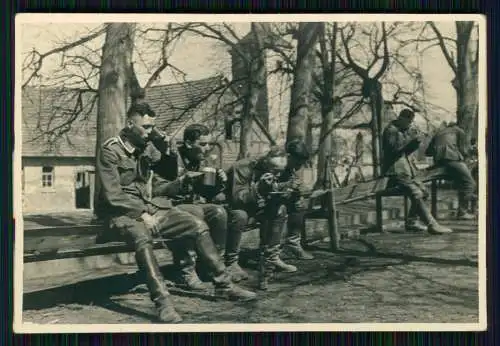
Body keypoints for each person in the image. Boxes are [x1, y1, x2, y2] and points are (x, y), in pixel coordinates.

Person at [94, 103, 257, 323]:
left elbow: (169, 173)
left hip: (147, 208)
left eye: (152, 126)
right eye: (146, 126)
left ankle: (224, 284)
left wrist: (168, 149)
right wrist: (142, 213)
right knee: (142, 237)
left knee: (196, 225)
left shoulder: (147, 146)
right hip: (117, 214)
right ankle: (163, 303)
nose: (151, 131)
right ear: (130, 124)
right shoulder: (110, 150)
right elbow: (112, 196)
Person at [151, 124, 250, 283]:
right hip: (170, 207)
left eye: (209, 144)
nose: (207, 148)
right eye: (202, 144)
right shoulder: (171, 158)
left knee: (219, 212)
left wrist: (219, 182)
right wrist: (181, 181)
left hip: (194, 205)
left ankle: (215, 265)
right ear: (189, 144)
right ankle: (189, 270)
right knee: (196, 213)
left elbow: (207, 193)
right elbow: (157, 190)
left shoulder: (203, 161)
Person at [226, 145, 309, 290]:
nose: (277, 175)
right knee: (240, 216)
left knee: (279, 209)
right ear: (265, 162)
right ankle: (231, 262)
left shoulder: (283, 168)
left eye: (280, 172)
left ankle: (271, 257)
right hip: (233, 206)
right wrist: (258, 188)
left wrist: (289, 189)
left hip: (258, 204)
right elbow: (236, 198)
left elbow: (277, 189)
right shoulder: (243, 167)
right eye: (274, 171)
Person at [381, 108, 452, 234]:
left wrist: (416, 143)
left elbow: (405, 152)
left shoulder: (402, 130)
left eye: (411, 122)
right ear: (401, 118)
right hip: (393, 173)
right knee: (416, 193)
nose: (409, 125)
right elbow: (392, 151)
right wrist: (410, 141)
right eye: (408, 122)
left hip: (405, 172)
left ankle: (412, 221)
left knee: (424, 192)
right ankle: (432, 225)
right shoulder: (390, 131)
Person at [425, 122, 477, 219]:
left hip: (439, 163)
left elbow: (428, 152)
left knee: (461, 181)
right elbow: (464, 150)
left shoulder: (438, 132)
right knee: (470, 183)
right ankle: (463, 212)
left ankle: (466, 205)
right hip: (452, 159)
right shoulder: (459, 131)